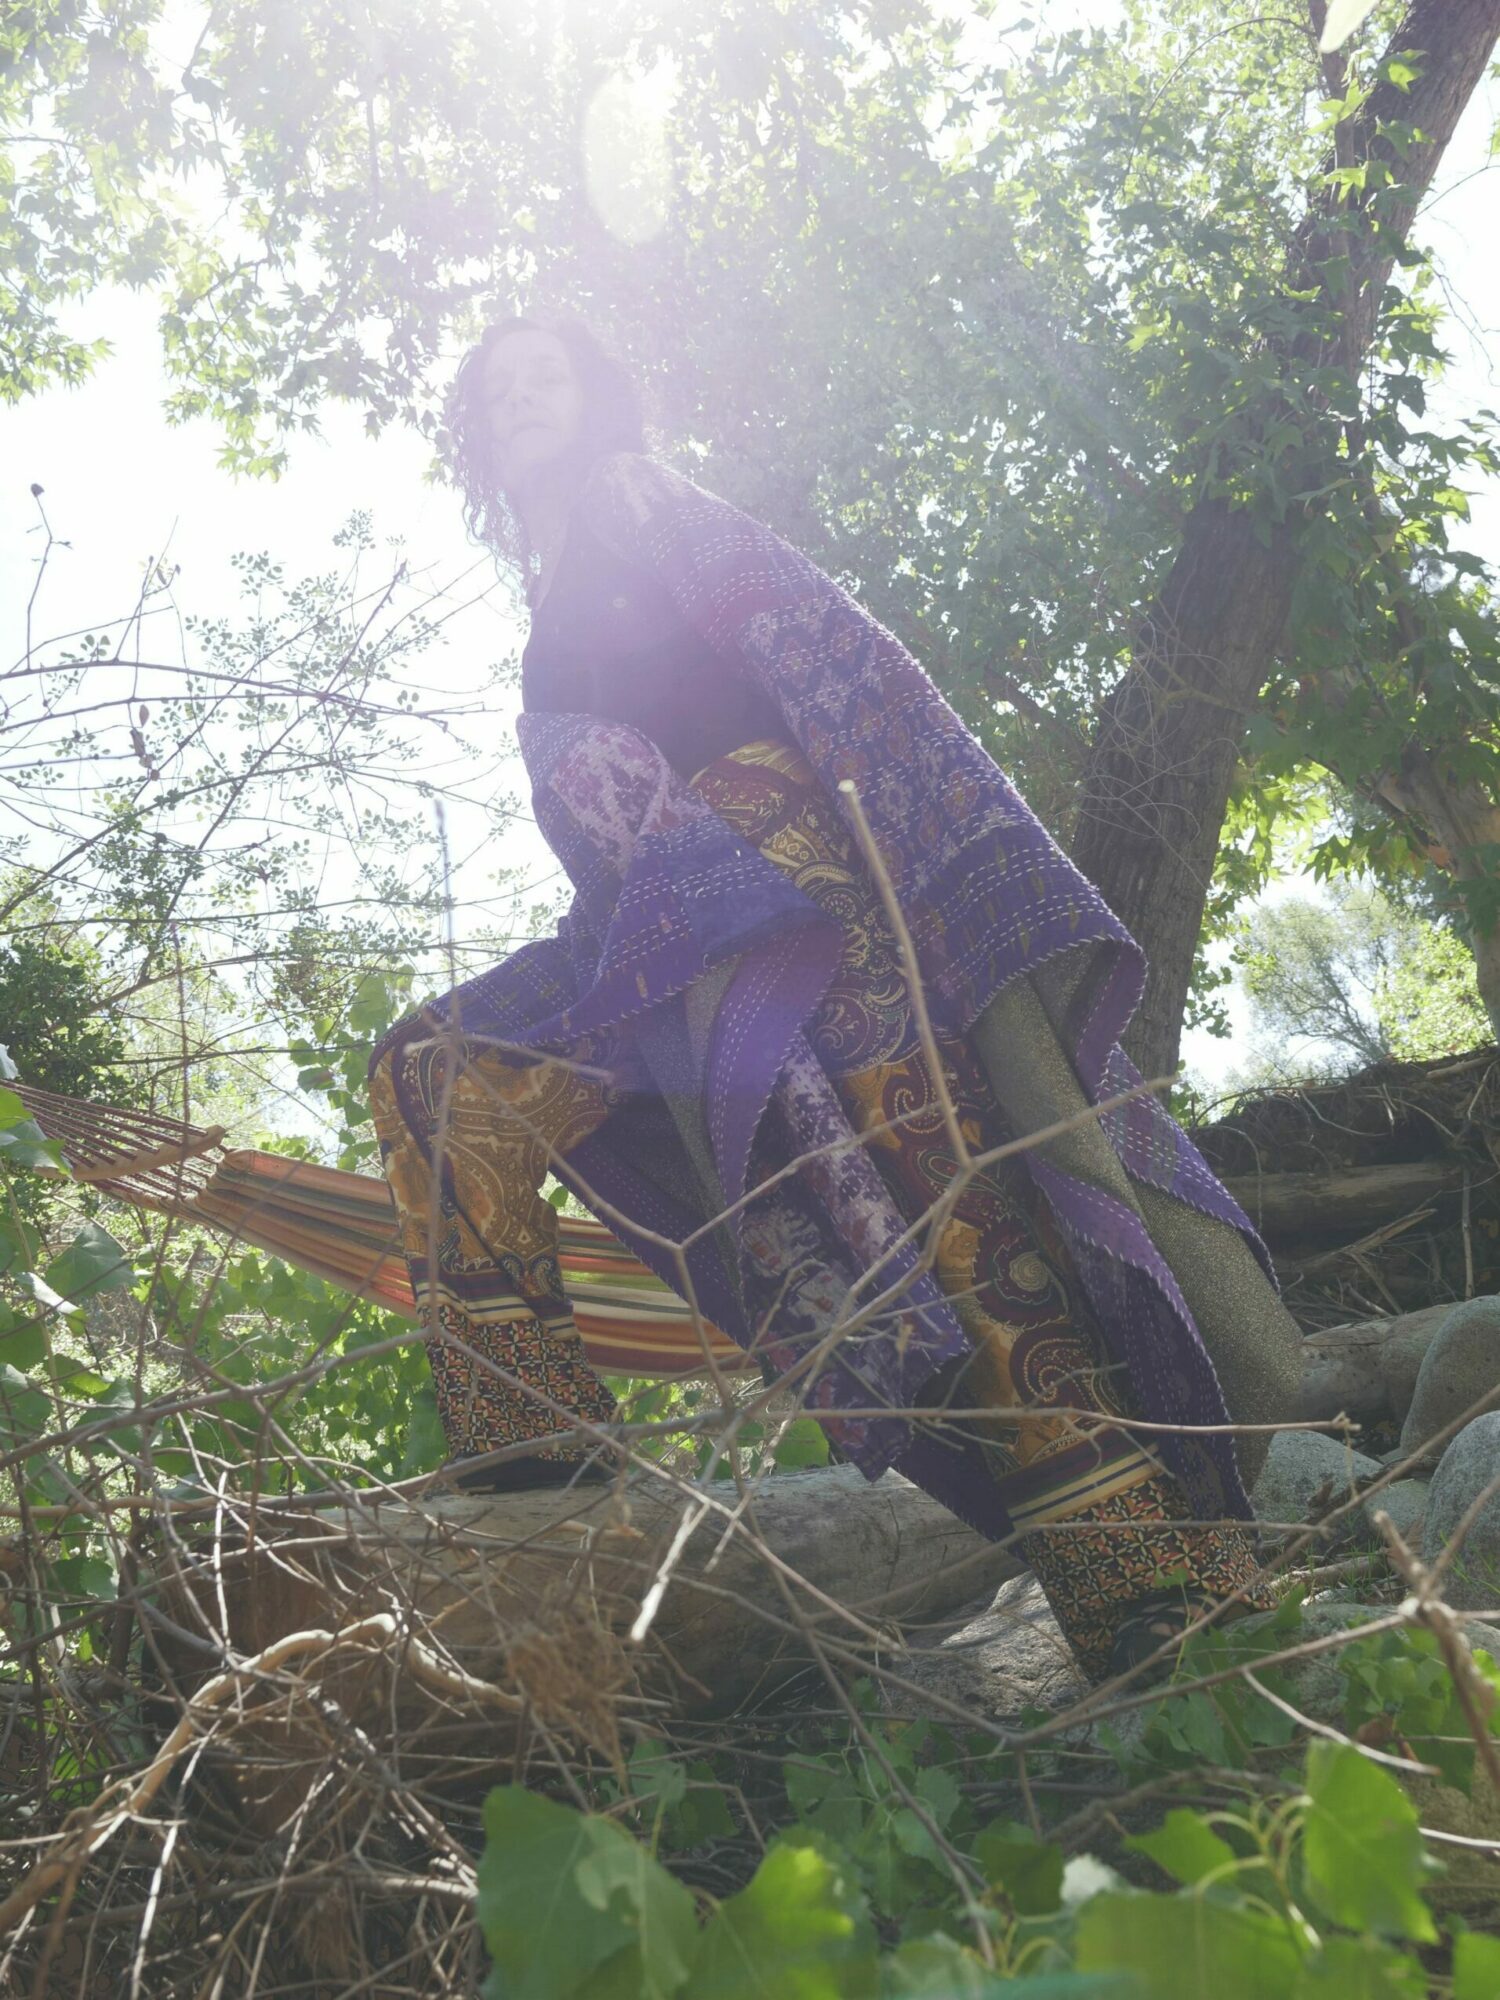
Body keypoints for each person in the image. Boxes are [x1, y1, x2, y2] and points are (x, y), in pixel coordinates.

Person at [367, 315, 1302, 1681]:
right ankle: (532, 1444)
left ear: (599, 396)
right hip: (658, 938)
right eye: (495, 390)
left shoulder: (638, 498)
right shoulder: (553, 582)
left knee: (956, 1220)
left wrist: (892, 851)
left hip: (807, 895)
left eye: (543, 375)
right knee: (444, 1072)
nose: (518, 400)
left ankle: (1154, 1587)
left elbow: (810, 637)